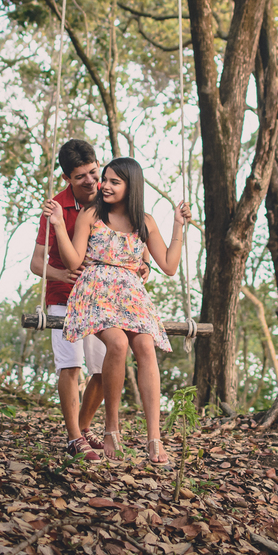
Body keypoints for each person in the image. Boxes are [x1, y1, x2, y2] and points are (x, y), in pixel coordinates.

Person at [43, 157, 190, 465]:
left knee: (146, 345)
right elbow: (73, 261)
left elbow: (170, 265)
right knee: (119, 343)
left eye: (113, 181)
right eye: (104, 179)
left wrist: (178, 225)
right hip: (94, 289)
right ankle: (111, 428)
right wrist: (57, 225)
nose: (104, 185)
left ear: (130, 186)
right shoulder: (91, 214)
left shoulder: (145, 221)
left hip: (131, 294)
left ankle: (154, 438)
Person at [30, 139, 107, 462]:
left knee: (105, 369)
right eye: (80, 177)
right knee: (71, 365)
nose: (90, 181)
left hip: (103, 298)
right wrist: (60, 276)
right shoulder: (56, 208)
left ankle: (84, 427)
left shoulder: (111, 196)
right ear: (67, 179)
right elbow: (36, 264)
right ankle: (74, 438)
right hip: (64, 297)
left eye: (93, 172)